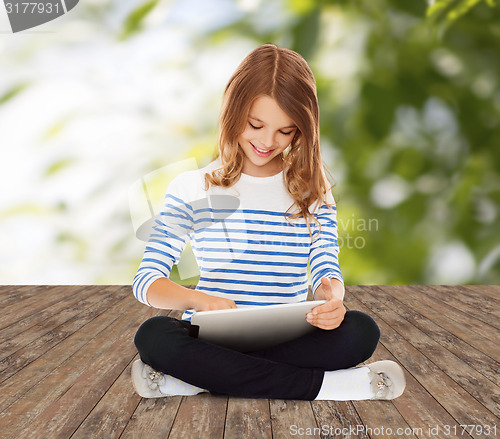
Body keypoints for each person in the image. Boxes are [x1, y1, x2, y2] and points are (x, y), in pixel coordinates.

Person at [131, 44, 405, 401]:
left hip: (289, 337)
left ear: (301, 130)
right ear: (233, 112)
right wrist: (200, 300)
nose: (266, 142)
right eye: (255, 124)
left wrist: (331, 298)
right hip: (212, 336)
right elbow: (146, 281)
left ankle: (193, 380)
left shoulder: (314, 189)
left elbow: (326, 266)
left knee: (360, 330)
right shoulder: (192, 187)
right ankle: (330, 387)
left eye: (285, 131)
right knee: (153, 336)